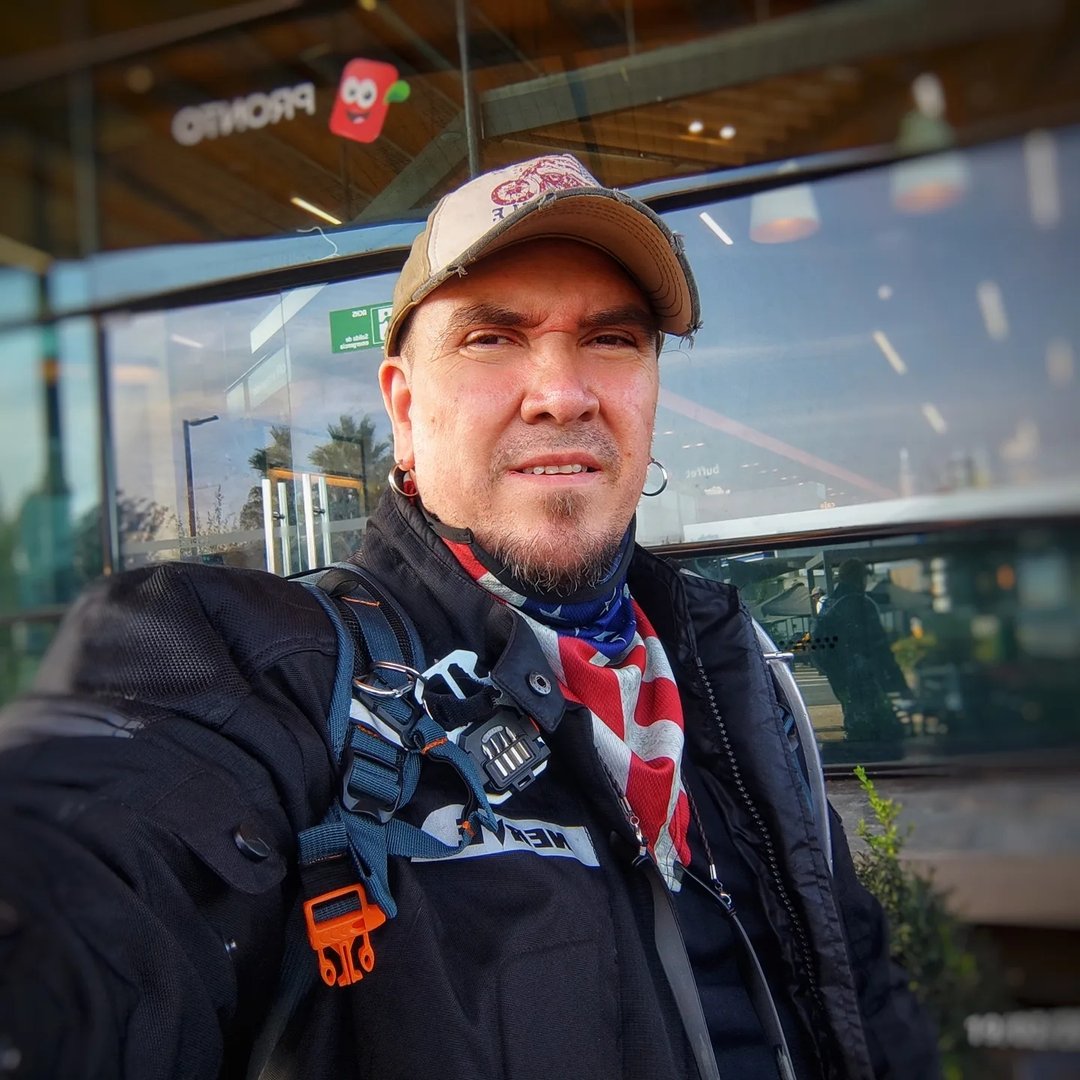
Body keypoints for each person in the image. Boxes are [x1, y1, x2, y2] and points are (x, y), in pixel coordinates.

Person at [0, 154, 937, 1079]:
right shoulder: (278, 677)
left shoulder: (734, 670)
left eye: (613, 339)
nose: (562, 393)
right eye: (492, 338)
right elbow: (94, 901)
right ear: (405, 410)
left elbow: (858, 989)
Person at [813, 559, 910, 744]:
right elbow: (880, 647)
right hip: (865, 678)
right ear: (858, 578)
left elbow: (818, 646)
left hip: (841, 679)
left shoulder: (829, 604)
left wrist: (834, 674)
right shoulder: (862, 604)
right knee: (879, 729)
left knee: (855, 723)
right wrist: (899, 682)